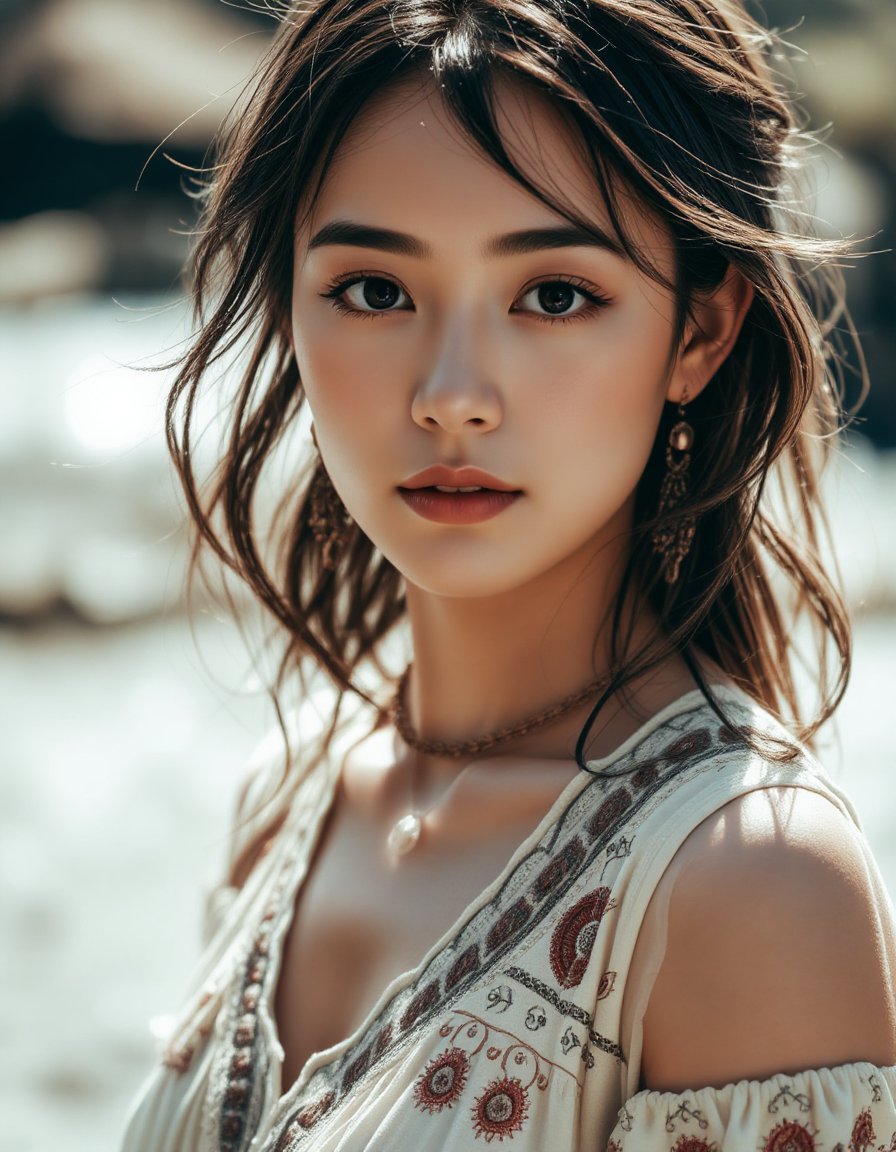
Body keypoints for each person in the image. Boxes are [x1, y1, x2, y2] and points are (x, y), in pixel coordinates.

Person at [120, 0, 896, 1149]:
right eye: (374, 291)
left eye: (552, 296)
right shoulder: (290, 792)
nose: (450, 393)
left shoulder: (746, 886)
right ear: (289, 303)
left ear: (699, 333)